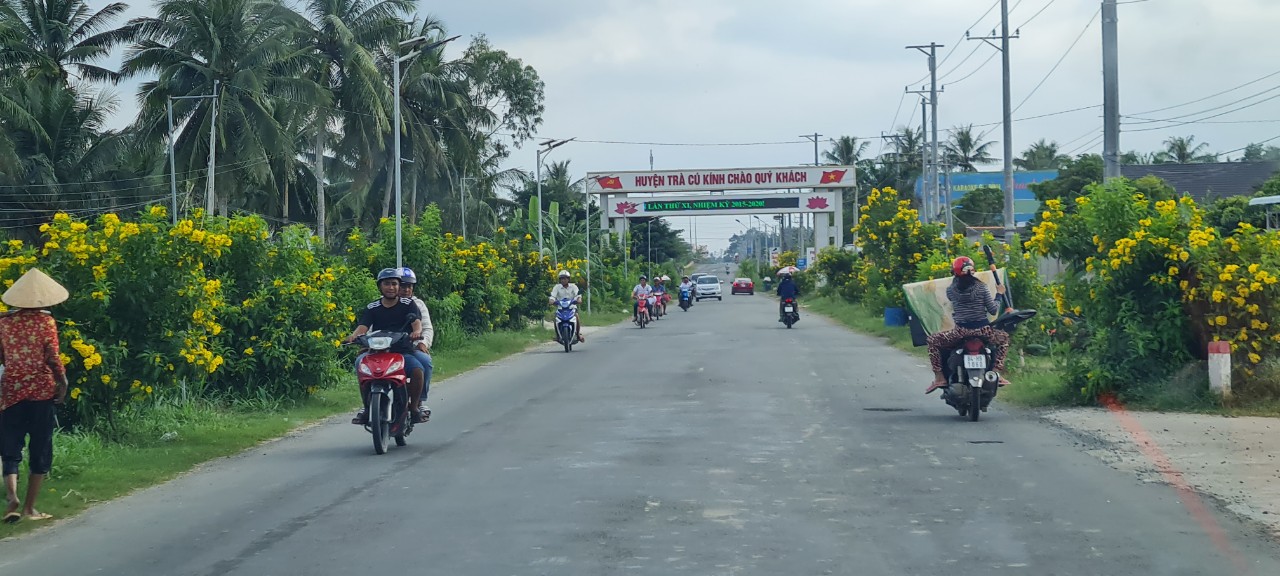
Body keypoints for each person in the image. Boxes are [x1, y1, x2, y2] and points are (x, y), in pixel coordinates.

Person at [0, 268, 70, 524]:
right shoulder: (46, 322)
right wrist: (62, 383)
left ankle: (11, 499)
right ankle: (30, 508)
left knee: (10, 447)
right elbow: (53, 357)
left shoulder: (4, 322)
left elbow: (2, 358)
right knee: (40, 447)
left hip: (11, 392)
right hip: (41, 392)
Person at [345, 268, 427, 424]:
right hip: (376, 352)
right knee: (360, 365)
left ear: (399, 286)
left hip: (402, 352)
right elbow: (363, 327)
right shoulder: (372, 307)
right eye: (387, 284)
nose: (391, 287)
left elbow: (416, 323)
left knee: (417, 370)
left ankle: (415, 407)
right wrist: (353, 337)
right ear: (380, 286)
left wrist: (416, 332)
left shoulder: (408, 304)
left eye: (394, 284)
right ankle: (367, 407)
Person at [925, 257, 1011, 394]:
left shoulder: (951, 290)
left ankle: (939, 377)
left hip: (961, 332)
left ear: (955, 272)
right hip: (983, 331)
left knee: (932, 340)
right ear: (973, 270)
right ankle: (996, 373)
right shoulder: (981, 288)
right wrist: (999, 295)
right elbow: (993, 309)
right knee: (1004, 338)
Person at [396, 268, 435, 420]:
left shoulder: (417, 304)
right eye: (403, 285)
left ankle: (419, 401)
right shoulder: (382, 303)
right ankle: (369, 404)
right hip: (385, 349)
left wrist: (423, 343)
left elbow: (426, 328)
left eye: (409, 286)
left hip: (410, 349)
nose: (406, 290)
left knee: (425, 362)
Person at [548, 270, 584, 343]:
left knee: (576, 316)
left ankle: (578, 334)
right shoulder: (557, 287)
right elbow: (553, 296)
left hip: (572, 307)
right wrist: (551, 300)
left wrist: (579, 299)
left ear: (568, 279)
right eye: (561, 279)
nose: (563, 280)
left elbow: (578, 295)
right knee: (556, 318)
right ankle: (557, 335)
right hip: (561, 308)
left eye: (565, 278)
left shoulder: (573, 286)